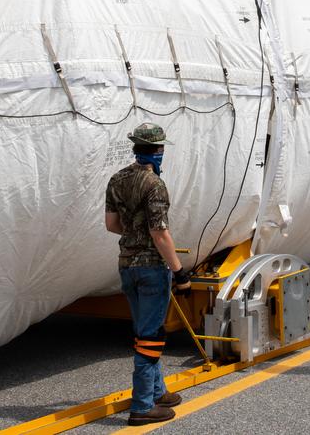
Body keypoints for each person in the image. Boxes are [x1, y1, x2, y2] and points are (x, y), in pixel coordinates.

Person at [104, 122, 191, 426]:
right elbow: (160, 233)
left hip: (126, 264)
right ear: (157, 151)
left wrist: (133, 233)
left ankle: (157, 391)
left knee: (144, 329)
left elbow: (112, 224)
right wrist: (180, 272)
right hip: (151, 267)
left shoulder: (117, 179)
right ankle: (142, 405)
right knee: (151, 335)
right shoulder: (154, 185)